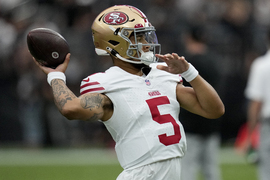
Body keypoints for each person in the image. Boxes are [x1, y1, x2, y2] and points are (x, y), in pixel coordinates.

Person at [31, 5, 224, 180]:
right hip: (141, 174)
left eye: (146, 35)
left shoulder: (162, 75)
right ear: (114, 43)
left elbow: (214, 110)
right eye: (138, 37)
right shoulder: (108, 83)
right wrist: (56, 77)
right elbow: (69, 108)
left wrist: (190, 72)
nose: (147, 43)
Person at [180, 25, 222, 180]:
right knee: (211, 169)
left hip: (190, 123)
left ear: (188, 38)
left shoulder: (185, 62)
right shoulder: (214, 61)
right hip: (211, 123)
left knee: (187, 168)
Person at [245, 28, 270, 180]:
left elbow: (256, 103)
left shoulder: (261, 65)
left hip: (268, 125)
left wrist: (250, 135)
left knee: (266, 172)